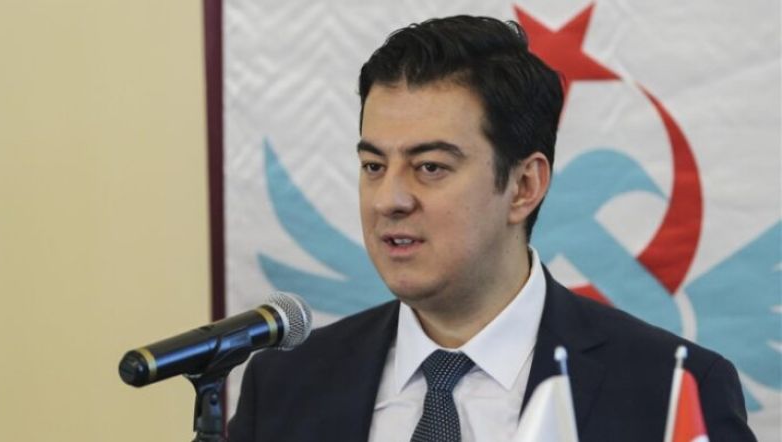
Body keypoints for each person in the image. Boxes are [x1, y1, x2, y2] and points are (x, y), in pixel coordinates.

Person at [227, 15, 755, 442]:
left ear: (524, 186)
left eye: (430, 166)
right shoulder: (285, 384)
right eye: (373, 166)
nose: (389, 200)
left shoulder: (669, 392)